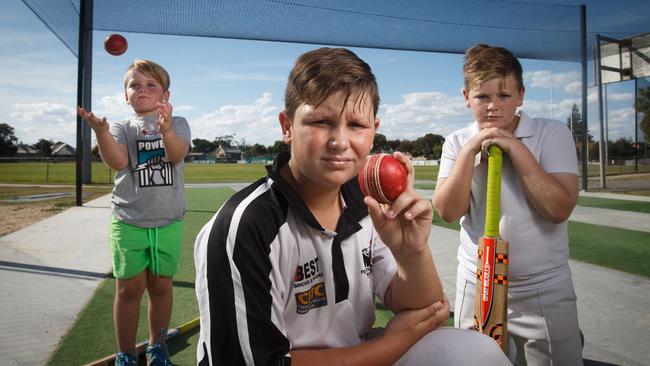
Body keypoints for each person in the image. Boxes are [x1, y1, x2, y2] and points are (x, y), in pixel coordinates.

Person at [194, 47, 510, 366]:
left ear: (374, 130)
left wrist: (411, 253)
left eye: (356, 125)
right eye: (321, 121)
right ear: (287, 126)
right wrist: (392, 344)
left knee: (476, 352)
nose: (340, 141)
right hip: (349, 355)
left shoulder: (366, 203)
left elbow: (426, 310)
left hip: (358, 352)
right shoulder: (245, 226)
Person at [433, 44, 583, 365]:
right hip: (477, 282)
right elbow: (447, 211)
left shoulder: (551, 132)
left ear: (521, 95)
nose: (493, 107)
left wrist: (513, 147)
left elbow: (559, 209)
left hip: (542, 287)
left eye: (504, 96)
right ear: (466, 97)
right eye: (482, 97)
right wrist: (470, 150)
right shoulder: (457, 141)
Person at [77, 59, 191, 366]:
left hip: (168, 222)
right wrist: (101, 132)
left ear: (165, 94)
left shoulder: (177, 123)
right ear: (125, 95)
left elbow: (176, 153)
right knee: (128, 289)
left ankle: (157, 347)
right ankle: (125, 354)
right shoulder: (121, 127)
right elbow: (117, 161)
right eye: (134, 85)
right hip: (129, 222)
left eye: (150, 85)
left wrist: (165, 129)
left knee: (162, 286)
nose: (142, 90)